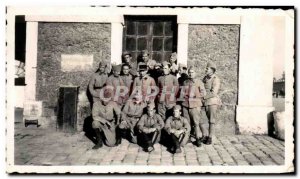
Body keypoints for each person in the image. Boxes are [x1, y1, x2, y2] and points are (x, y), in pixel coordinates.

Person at [182, 67, 207, 147]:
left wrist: (196, 95)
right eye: (189, 72)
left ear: (195, 73)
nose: (190, 74)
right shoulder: (185, 82)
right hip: (186, 105)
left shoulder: (199, 82)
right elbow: (182, 93)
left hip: (195, 105)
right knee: (187, 122)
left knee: (196, 123)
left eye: (192, 72)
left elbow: (203, 93)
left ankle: (198, 139)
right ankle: (188, 138)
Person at [202, 61, 222, 145]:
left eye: (207, 68)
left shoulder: (216, 79)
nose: (206, 70)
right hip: (204, 102)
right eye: (206, 68)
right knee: (201, 119)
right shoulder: (205, 78)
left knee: (211, 120)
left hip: (212, 102)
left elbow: (214, 92)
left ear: (212, 70)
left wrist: (204, 97)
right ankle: (204, 135)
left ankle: (210, 137)